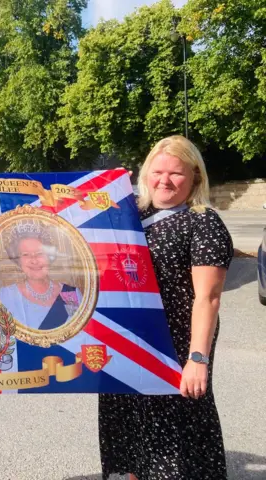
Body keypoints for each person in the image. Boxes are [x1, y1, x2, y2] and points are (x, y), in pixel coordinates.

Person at [98, 135, 233, 479]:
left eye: (177, 174)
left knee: (175, 444)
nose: (165, 181)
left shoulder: (203, 223)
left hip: (176, 350)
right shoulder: (131, 214)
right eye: (158, 171)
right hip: (126, 344)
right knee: (130, 434)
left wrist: (198, 360)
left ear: (195, 178)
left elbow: (208, 298)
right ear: (146, 173)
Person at [0, 219, 81, 330]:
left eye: (39, 253)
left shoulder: (70, 293)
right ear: (18, 260)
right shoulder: (6, 294)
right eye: (26, 254)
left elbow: (81, 332)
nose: (34, 260)